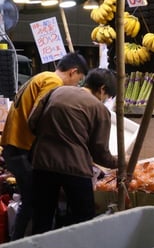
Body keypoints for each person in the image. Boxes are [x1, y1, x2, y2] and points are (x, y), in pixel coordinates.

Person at [0, 53, 89, 240]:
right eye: (78, 81)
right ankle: (19, 246)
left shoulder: (41, 76)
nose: (75, 86)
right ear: (73, 72)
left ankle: (19, 243)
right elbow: (39, 115)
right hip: (22, 148)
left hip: (15, 146)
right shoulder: (53, 82)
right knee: (33, 203)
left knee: (32, 201)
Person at [28, 68, 117, 233]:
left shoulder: (56, 92)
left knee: (42, 217)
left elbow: (32, 122)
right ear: (103, 89)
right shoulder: (99, 109)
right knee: (83, 220)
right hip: (75, 169)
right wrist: (119, 162)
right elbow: (99, 153)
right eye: (107, 96)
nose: (105, 100)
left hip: (42, 164)